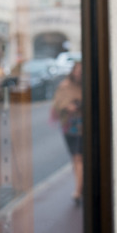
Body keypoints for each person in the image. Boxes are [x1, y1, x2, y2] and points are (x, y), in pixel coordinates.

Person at [52, 61, 83, 206]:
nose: (78, 73)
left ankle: (78, 190)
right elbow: (58, 103)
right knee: (75, 158)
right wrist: (68, 105)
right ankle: (80, 185)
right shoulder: (64, 86)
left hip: (82, 127)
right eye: (77, 70)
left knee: (78, 158)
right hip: (69, 126)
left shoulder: (85, 86)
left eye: (81, 71)